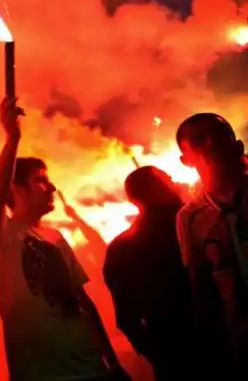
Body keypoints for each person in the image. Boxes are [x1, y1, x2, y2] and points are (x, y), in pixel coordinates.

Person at [0, 97, 129, 381]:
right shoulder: (2, 235)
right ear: (17, 189)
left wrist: (111, 362)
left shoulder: (55, 237)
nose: (51, 188)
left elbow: (84, 301)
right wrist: (12, 139)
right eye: (40, 181)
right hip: (42, 373)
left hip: (91, 369)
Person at [104, 166, 201, 381]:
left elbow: (126, 318)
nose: (175, 182)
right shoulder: (196, 224)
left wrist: (158, 353)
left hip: (172, 355)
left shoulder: (120, 247)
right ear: (156, 189)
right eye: (167, 178)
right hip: (220, 342)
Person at [175, 113, 248, 378]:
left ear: (237, 144)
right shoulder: (190, 218)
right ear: (186, 160)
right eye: (199, 140)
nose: (212, 142)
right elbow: (201, 288)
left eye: (219, 134)